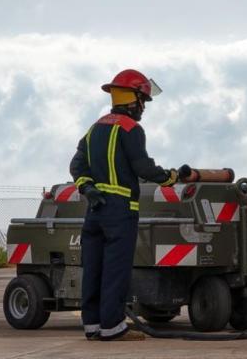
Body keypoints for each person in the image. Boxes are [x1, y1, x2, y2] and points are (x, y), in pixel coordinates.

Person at [69, 69, 183, 342]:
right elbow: (142, 167)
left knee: (93, 268)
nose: (143, 107)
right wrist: (171, 177)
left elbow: (77, 166)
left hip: (94, 211)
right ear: (133, 99)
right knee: (116, 270)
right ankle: (113, 327)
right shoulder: (131, 129)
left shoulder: (94, 128)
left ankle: (93, 325)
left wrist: (88, 188)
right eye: (143, 100)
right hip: (120, 212)